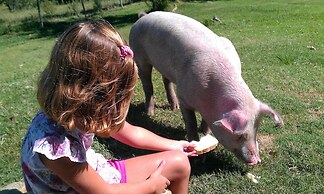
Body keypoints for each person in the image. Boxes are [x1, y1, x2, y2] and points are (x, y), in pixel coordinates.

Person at [20, 20, 197, 194]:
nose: (114, 107)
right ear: (89, 96)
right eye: (113, 98)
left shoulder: (75, 110)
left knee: (179, 162)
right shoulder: (55, 147)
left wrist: (175, 145)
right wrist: (151, 186)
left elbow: (129, 132)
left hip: (95, 174)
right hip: (92, 189)